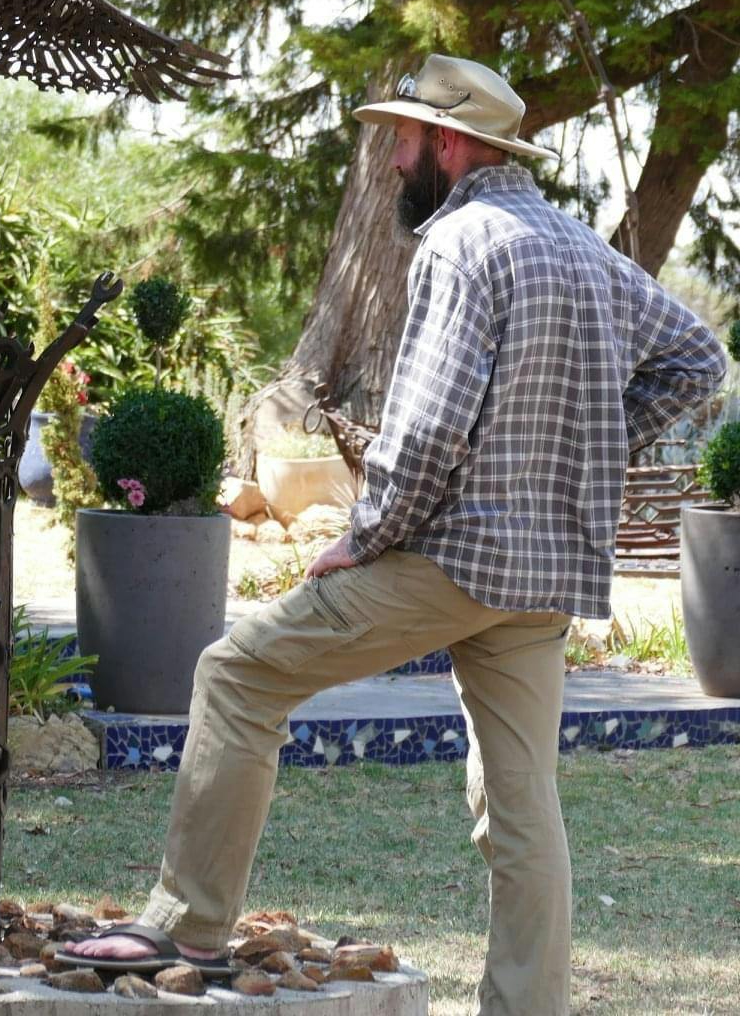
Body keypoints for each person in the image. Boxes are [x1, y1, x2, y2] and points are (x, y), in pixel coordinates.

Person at [59, 55, 728, 1014]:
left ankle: (189, 926)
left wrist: (364, 535)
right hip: (542, 581)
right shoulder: (582, 248)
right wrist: (587, 449)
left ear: (449, 145)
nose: (391, 160)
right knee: (522, 803)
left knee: (238, 674)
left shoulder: (462, 243)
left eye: (403, 139)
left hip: (450, 561)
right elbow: (699, 356)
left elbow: (428, 428)